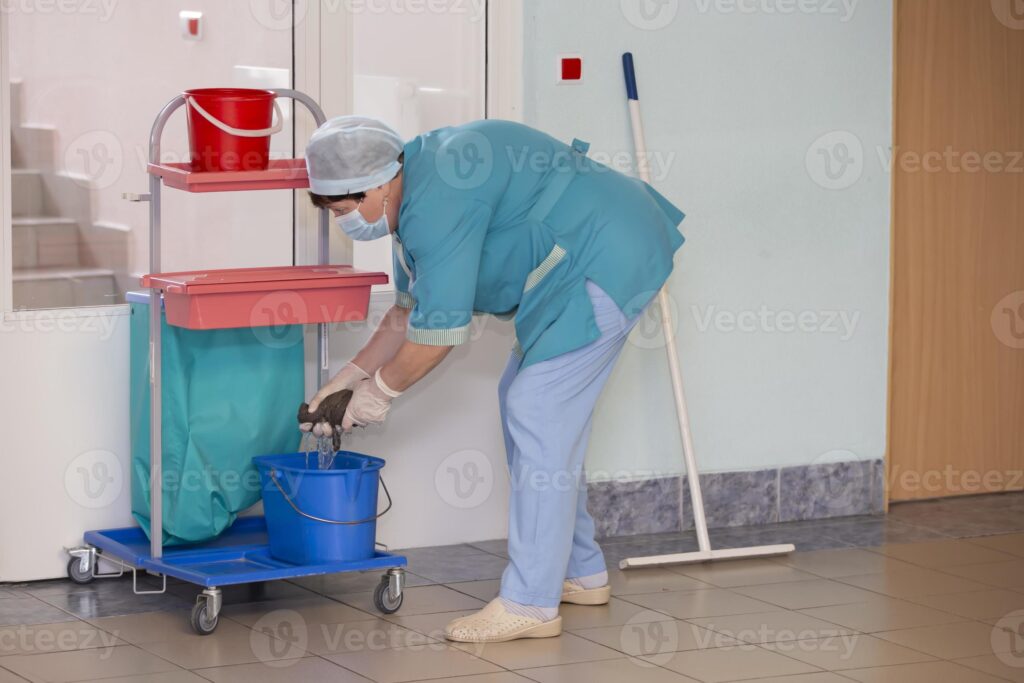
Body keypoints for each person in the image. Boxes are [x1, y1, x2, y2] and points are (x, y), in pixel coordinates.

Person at [300, 115, 685, 643]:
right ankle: (580, 570)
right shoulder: (412, 196)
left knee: (539, 409)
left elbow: (437, 336)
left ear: (380, 180)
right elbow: (411, 312)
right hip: (569, 267)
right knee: (526, 403)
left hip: (606, 253)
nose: (349, 223)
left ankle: (530, 602)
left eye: (347, 210)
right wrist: (349, 376)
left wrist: (379, 394)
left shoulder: (437, 201)